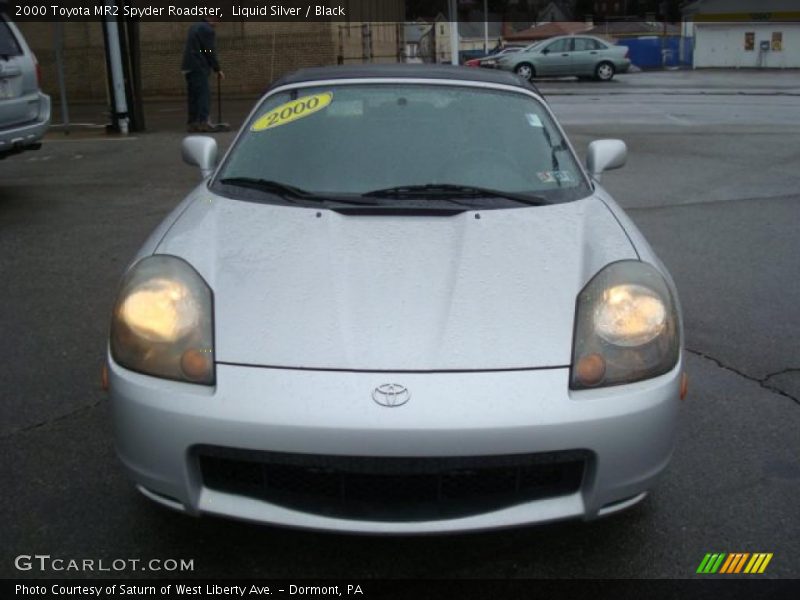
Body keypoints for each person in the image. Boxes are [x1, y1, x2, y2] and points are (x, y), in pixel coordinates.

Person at [181, 17, 225, 132]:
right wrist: (217, 69)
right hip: (199, 66)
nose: (217, 25)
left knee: (193, 96)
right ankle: (204, 121)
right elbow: (208, 50)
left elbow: (199, 48)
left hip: (188, 66)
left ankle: (193, 122)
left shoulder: (194, 27)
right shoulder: (207, 30)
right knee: (203, 95)